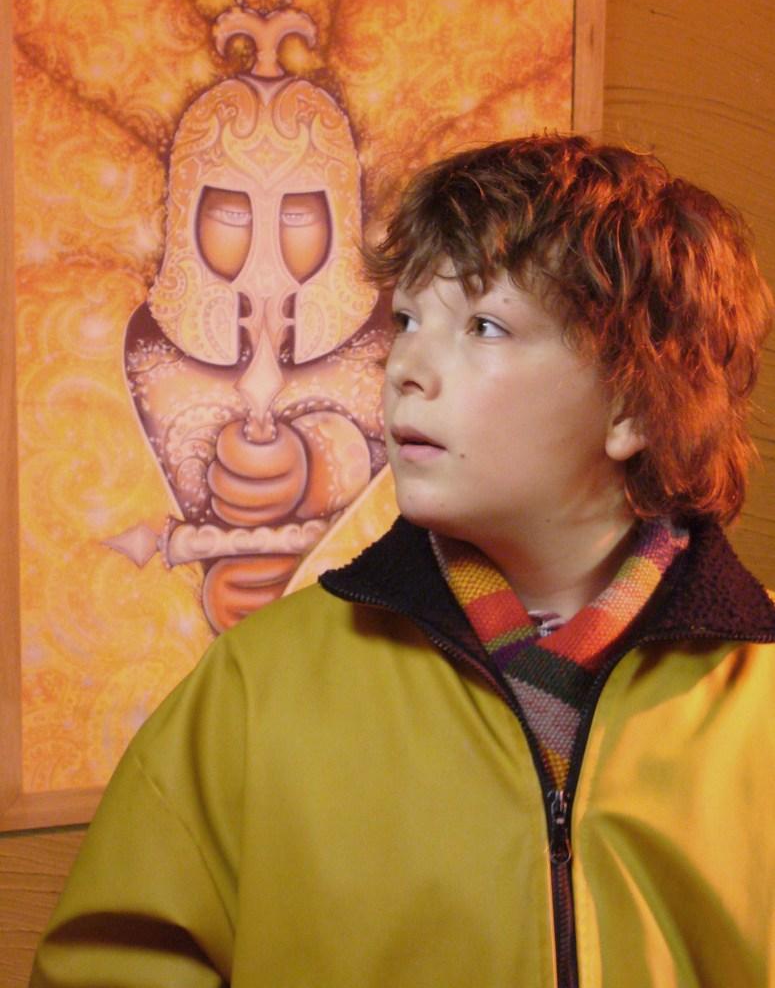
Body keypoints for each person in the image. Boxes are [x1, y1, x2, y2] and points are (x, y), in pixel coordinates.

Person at [31, 135, 775, 988]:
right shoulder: (257, 687)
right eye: (407, 320)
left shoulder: (760, 698)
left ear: (633, 405)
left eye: (485, 326)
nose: (407, 368)